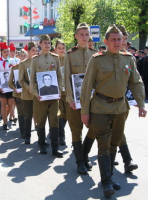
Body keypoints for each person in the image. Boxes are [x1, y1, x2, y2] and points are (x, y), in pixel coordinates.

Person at [80, 24, 146, 198]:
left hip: (120, 108)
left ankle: (107, 177)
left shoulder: (128, 58)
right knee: (103, 142)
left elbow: (136, 82)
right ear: (106, 41)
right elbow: (86, 87)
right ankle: (107, 181)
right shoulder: (97, 59)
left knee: (114, 143)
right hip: (100, 107)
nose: (118, 42)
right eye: (114, 40)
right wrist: (84, 111)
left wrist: (141, 103)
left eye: (120, 39)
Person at [64, 22, 97, 174]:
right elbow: (66, 78)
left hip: (92, 101)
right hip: (75, 102)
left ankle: (84, 154)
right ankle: (79, 162)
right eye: (81, 34)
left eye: (86, 34)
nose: (84, 37)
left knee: (95, 128)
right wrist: (70, 98)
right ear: (76, 36)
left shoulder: (95, 55)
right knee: (76, 130)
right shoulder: (70, 55)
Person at [30, 34, 63, 158]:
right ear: (40, 44)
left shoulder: (55, 58)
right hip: (40, 97)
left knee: (54, 120)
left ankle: (55, 148)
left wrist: (59, 90)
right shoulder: (35, 60)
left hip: (54, 96)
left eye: (49, 43)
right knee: (41, 120)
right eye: (45, 43)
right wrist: (36, 93)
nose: (47, 45)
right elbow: (32, 79)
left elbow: (60, 76)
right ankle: (42, 144)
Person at [19, 41, 38, 144]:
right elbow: (21, 80)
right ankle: (27, 136)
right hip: (27, 94)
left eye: (36, 50)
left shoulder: (40, 62)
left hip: (39, 94)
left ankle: (41, 138)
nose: (35, 52)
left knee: (39, 116)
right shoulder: (23, 63)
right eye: (33, 51)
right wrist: (28, 87)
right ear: (28, 51)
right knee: (28, 115)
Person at [8, 48, 28, 138]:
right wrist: (14, 88)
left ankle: (27, 130)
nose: (23, 57)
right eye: (21, 56)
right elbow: (10, 82)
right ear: (18, 56)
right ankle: (22, 131)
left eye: (25, 56)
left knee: (28, 112)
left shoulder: (30, 67)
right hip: (18, 93)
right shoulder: (15, 67)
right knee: (21, 112)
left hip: (28, 94)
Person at [0, 42, 14, 130]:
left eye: (8, 51)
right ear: (1, 52)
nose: (7, 53)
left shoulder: (12, 61)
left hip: (10, 87)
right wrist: (0, 87)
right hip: (2, 87)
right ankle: (5, 122)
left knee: (10, 104)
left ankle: (5, 116)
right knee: (3, 104)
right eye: (5, 51)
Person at [54, 39, 68, 146]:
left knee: (66, 114)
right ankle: (61, 136)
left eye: (63, 48)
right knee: (59, 113)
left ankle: (57, 131)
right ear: (55, 49)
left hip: (67, 91)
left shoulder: (69, 60)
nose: (62, 50)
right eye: (59, 48)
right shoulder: (53, 60)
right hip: (57, 91)